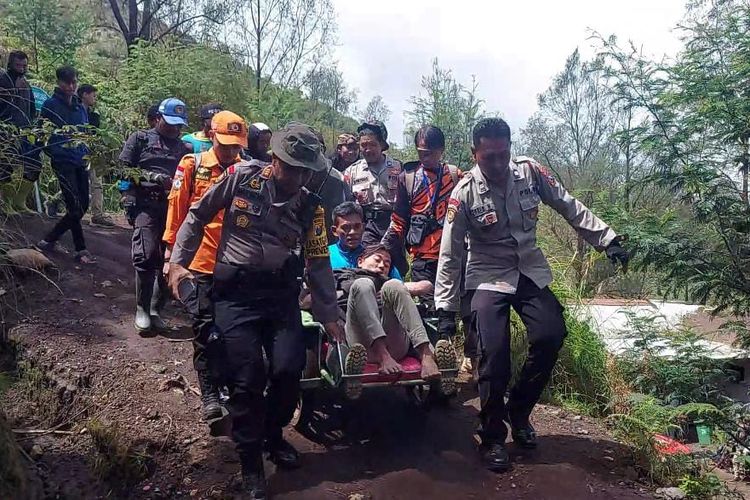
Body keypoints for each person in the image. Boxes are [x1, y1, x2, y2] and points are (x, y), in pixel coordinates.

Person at [434, 118, 629, 472]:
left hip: (527, 269)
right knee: (493, 354)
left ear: (510, 148)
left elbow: (568, 204)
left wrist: (607, 239)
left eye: (502, 155)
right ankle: (492, 436)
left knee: (551, 334)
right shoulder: (463, 193)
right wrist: (446, 310)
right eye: (488, 157)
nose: (496, 164)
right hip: (487, 276)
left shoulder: (530, 172)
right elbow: (450, 254)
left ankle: (519, 411)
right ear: (474, 153)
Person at [167, 122, 344, 499]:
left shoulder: (312, 208)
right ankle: (251, 463)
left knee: (287, 370)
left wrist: (330, 314)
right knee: (247, 378)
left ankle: (274, 434)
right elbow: (197, 215)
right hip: (235, 294)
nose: (297, 176)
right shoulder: (240, 178)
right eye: (291, 166)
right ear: (275, 158)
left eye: (305, 170)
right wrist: (178, 263)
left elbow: (317, 263)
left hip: (281, 296)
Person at [162, 110, 247, 422]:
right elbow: (178, 210)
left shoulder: (247, 172)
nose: (230, 151)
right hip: (199, 263)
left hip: (236, 264)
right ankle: (209, 392)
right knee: (204, 330)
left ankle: (230, 387)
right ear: (212, 136)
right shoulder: (192, 166)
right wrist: (172, 256)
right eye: (225, 144)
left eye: (236, 146)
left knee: (232, 331)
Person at [118, 97, 191, 334]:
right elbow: (123, 169)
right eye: (170, 123)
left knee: (169, 260)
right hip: (146, 204)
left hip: (173, 209)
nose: (174, 129)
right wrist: (153, 177)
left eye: (179, 125)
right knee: (147, 254)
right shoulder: (139, 139)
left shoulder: (184, 149)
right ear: (158, 119)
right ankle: (141, 308)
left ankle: (156, 309)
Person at [336, 243, 454, 381]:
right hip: (359, 344)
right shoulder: (343, 276)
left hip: (394, 345)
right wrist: (343, 293)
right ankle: (381, 357)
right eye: (377, 259)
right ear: (360, 261)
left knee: (394, 285)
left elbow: (427, 286)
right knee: (363, 284)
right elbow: (308, 300)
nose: (381, 266)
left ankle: (427, 356)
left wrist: (402, 288)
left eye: (387, 264)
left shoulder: (389, 285)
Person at [382, 125, 462, 309]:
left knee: (454, 307)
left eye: (429, 153)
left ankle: (454, 337)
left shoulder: (455, 176)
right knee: (429, 308)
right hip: (422, 258)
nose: (423, 158)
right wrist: (384, 247)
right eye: (420, 153)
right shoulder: (407, 178)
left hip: (452, 254)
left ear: (440, 150)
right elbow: (399, 220)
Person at [37, 66, 95, 264]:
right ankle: (80, 249)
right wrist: (54, 151)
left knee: (83, 205)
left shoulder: (79, 106)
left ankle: (50, 238)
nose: (71, 86)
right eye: (67, 82)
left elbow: (85, 132)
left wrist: (87, 153)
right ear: (59, 82)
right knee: (74, 206)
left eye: (74, 82)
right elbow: (40, 132)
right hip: (63, 162)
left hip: (80, 161)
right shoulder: (50, 105)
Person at [343, 120, 407, 276]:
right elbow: (347, 206)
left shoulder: (398, 168)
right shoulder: (351, 172)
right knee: (369, 265)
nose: (367, 149)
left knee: (394, 267)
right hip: (367, 225)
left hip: (393, 224)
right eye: (363, 145)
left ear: (382, 144)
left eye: (372, 145)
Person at [0, 50, 41, 213]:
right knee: (5, 166)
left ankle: (19, 201)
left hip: (25, 131)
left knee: (34, 164)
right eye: (18, 65)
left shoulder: (25, 82)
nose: (22, 68)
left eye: (24, 65)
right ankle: (5, 203)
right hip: (6, 131)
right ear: (10, 64)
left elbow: (31, 107)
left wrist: (32, 126)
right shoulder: (3, 80)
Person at [329, 201, 400, 280]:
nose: (352, 232)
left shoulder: (375, 256)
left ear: (363, 227)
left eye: (357, 226)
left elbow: (398, 286)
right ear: (334, 231)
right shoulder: (325, 256)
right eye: (346, 227)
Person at [77, 84, 114, 227]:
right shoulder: (75, 111)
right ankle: (55, 202)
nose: (95, 98)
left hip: (92, 152)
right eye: (93, 95)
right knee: (79, 184)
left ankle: (97, 214)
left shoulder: (92, 114)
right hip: (79, 152)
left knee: (96, 182)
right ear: (84, 95)